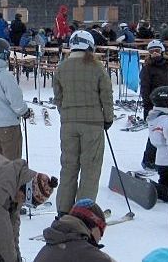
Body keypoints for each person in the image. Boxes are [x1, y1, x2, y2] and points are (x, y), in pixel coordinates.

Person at [53, 30, 114, 214]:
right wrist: (108, 118)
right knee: (90, 169)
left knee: (69, 167)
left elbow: (58, 97)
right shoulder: (96, 67)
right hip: (93, 125)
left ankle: (63, 210)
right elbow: (106, 95)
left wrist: (66, 114)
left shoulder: (61, 68)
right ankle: (82, 212)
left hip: (68, 125)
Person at [140, 40, 168, 171]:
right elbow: (145, 89)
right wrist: (147, 106)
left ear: (162, 51)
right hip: (155, 104)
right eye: (152, 51)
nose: (155, 53)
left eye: (157, 50)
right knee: (156, 132)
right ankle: (148, 160)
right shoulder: (147, 68)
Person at [33, 198, 115, 262]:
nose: (101, 237)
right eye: (101, 230)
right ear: (92, 225)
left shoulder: (54, 243)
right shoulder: (84, 252)